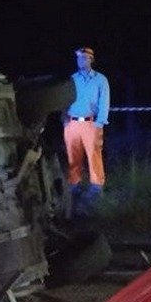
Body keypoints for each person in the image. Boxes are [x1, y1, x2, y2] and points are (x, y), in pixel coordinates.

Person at [63, 46, 111, 202]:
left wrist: (100, 123)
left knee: (94, 155)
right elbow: (64, 99)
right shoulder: (72, 79)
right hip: (72, 122)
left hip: (90, 123)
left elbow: (104, 102)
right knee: (73, 156)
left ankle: (96, 187)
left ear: (91, 59)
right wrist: (64, 119)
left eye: (84, 58)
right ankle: (74, 185)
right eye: (78, 58)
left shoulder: (100, 79)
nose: (80, 61)